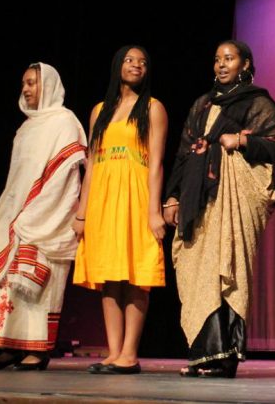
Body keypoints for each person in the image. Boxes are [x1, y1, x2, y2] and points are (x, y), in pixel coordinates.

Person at [163, 40, 275, 378]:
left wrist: (244, 141)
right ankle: (203, 354)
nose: (221, 65)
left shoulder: (257, 103)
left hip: (233, 202)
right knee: (198, 273)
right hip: (198, 200)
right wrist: (172, 196)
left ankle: (226, 356)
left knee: (227, 270)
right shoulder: (202, 104)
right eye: (217, 59)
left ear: (245, 64)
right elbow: (184, 152)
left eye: (229, 59)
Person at [0, 63, 86, 371]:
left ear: (49, 86)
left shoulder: (64, 122)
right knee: (7, 283)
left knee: (37, 283)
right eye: (23, 83)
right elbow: (16, 179)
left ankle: (36, 351)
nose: (25, 89)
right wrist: (9, 215)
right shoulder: (26, 127)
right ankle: (9, 346)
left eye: (32, 83)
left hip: (46, 216)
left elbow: (66, 176)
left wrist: (37, 213)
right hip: (15, 214)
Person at [73, 45, 168, 375]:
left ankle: (130, 353)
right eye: (130, 60)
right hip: (103, 197)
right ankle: (113, 352)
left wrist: (154, 211)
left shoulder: (153, 109)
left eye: (143, 61)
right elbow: (92, 163)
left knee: (136, 276)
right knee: (109, 277)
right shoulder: (100, 110)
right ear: (118, 67)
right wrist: (82, 212)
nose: (136, 65)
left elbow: (156, 163)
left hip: (136, 194)